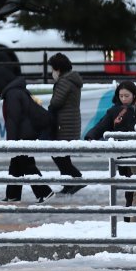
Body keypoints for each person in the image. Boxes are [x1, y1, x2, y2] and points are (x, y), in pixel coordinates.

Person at [0, 64, 53, 204]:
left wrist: (11, 142)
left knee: (26, 164)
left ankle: (45, 192)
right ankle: (13, 194)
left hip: (24, 135)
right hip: (24, 134)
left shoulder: (12, 94)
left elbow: (13, 119)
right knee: (16, 164)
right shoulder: (16, 91)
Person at [84, 80, 136, 218]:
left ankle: (134, 216)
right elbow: (102, 125)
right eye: (121, 96)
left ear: (134, 95)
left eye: (126, 96)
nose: (123, 99)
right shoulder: (114, 111)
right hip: (123, 154)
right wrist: (91, 135)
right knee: (130, 187)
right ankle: (130, 216)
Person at [46, 53, 85, 194]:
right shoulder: (72, 81)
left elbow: (56, 102)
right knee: (62, 154)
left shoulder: (64, 82)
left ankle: (77, 178)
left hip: (64, 124)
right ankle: (69, 183)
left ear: (58, 69)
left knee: (58, 154)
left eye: (53, 69)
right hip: (71, 122)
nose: (52, 72)